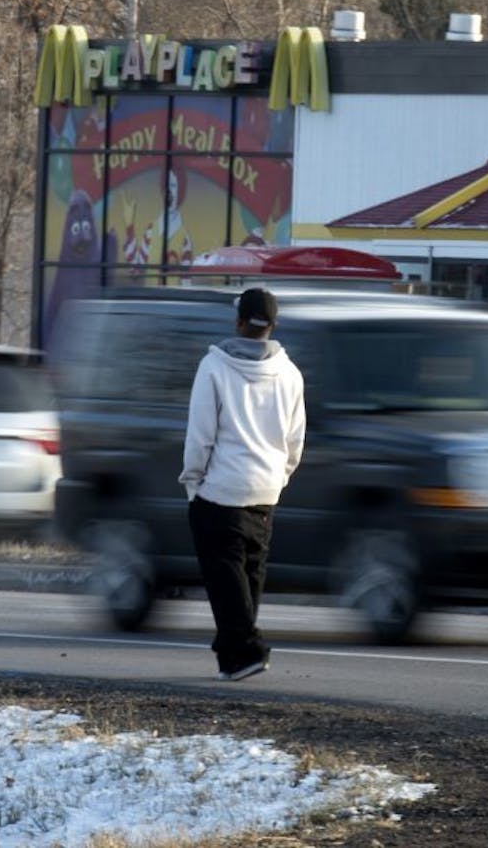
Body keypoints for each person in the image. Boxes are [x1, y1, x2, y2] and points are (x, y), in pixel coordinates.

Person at [179, 287, 306, 681]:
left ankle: (247, 648)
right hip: (267, 487)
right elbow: (295, 439)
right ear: (274, 325)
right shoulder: (289, 373)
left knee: (224, 573)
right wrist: (280, 477)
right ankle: (232, 657)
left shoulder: (213, 367)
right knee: (250, 571)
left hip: (222, 487)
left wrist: (193, 481)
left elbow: (201, 433)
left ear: (238, 322)